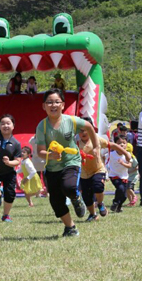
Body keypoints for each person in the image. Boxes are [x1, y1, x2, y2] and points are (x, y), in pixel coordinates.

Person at [35, 88, 100, 237]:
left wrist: (96, 147)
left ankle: (77, 198)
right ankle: (70, 227)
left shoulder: (71, 120)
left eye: (57, 102)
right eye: (49, 102)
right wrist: (50, 155)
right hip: (52, 167)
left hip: (71, 161)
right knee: (56, 202)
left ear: (63, 105)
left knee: (69, 187)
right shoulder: (42, 126)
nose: (53, 105)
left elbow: (89, 127)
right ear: (44, 106)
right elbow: (40, 151)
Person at [78, 117, 129, 220]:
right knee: (86, 197)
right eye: (81, 130)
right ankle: (93, 214)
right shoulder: (76, 142)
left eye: (86, 130)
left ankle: (100, 203)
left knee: (98, 186)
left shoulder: (96, 139)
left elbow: (112, 145)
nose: (83, 133)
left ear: (92, 129)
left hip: (98, 169)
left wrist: (126, 154)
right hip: (84, 173)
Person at [0, 114, 22, 222]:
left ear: (13, 126)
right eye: (2, 123)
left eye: (8, 123)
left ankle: (5, 215)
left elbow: (17, 161)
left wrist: (9, 162)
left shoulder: (16, 143)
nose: (5, 126)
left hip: (9, 172)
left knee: (10, 193)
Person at [108, 135, 133, 213]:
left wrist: (123, 163)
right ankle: (115, 202)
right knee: (120, 188)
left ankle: (118, 206)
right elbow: (103, 157)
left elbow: (129, 165)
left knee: (124, 196)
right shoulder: (111, 154)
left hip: (124, 177)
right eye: (119, 143)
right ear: (115, 145)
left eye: (124, 143)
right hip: (114, 175)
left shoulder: (128, 154)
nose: (122, 145)